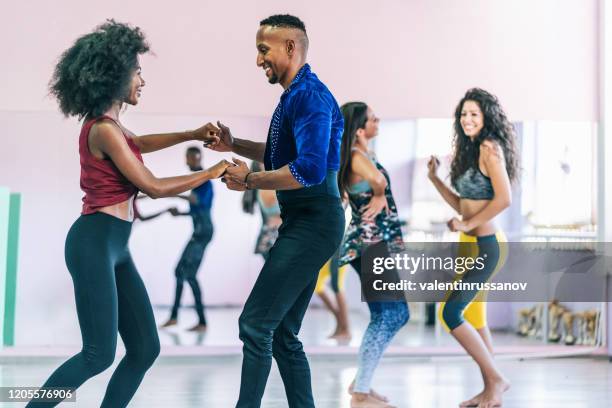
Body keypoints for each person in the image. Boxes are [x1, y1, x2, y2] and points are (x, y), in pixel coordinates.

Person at [27, 20, 229, 408]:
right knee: (98, 354)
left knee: (145, 349)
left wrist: (191, 133)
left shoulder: (114, 128)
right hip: (94, 243)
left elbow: (141, 142)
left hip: (115, 244)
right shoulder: (102, 130)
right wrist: (210, 172)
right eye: (137, 72)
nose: (142, 80)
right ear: (115, 74)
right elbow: (151, 186)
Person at [207, 14, 345, 408]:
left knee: (254, 324)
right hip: (307, 221)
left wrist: (248, 180)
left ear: (290, 47)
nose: (258, 60)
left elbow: (308, 170)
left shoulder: (309, 96)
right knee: (283, 334)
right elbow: (282, 155)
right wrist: (236, 145)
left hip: (315, 222)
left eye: (262, 50)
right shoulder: (294, 95)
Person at [428, 88, 518, 407]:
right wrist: (434, 179)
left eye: (474, 114)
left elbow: (504, 199)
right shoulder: (470, 150)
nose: (467, 119)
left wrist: (467, 225)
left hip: (487, 246)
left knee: (451, 312)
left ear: (486, 117)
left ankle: (496, 379)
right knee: (476, 319)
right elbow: (463, 203)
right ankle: (491, 391)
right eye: (463, 114)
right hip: (472, 244)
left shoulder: (490, 148)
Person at [337, 102, 409, 408]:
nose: (378, 120)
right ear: (359, 128)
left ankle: (361, 383)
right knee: (391, 314)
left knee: (388, 314)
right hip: (369, 244)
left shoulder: (362, 155)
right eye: (372, 118)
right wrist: (379, 193)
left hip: (371, 244)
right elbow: (378, 182)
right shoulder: (355, 155)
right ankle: (360, 393)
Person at [160, 146, 214, 332]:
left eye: (192, 159)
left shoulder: (202, 179)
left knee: (188, 274)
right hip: (199, 230)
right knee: (180, 272)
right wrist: (180, 213)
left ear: (197, 159)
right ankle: (175, 317)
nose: (190, 162)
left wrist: (172, 192)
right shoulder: (198, 180)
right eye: (189, 158)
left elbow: (199, 204)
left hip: (203, 232)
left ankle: (202, 322)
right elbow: (196, 209)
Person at [242, 161, 281, 260]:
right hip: (272, 239)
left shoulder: (268, 186)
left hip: (273, 238)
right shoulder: (267, 187)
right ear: (260, 166)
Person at [314, 249, 351, 340]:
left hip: (342, 251)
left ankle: (346, 329)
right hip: (329, 252)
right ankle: (339, 320)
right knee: (316, 285)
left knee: (337, 285)